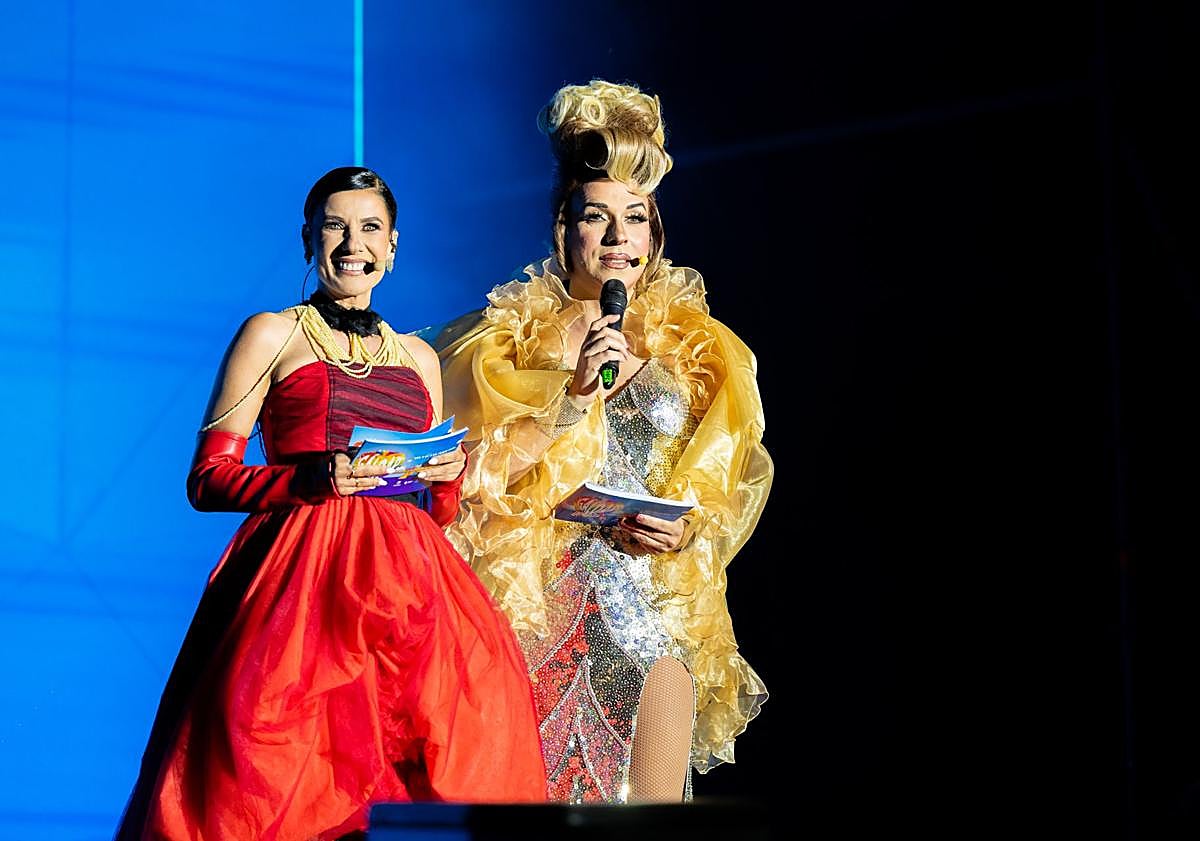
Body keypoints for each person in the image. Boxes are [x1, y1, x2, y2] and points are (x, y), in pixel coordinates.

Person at [115, 167, 545, 841]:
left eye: (370, 227)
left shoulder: (418, 357)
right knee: (279, 771)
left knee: (443, 760)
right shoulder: (273, 334)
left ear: (394, 245)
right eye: (336, 225)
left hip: (416, 600)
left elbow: (434, 512)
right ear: (309, 238)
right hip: (306, 594)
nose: (353, 242)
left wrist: (448, 474)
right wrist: (311, 478)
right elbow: (208, 478)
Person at [438, 80, 771, 803]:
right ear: (564, 228)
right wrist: (571, 398)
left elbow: (717, 495)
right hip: (536, 612)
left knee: (656, 815)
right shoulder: (502, 344)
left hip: (652, 614)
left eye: (636, 220)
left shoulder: (700, 351)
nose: (620, 240)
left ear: (655, 235)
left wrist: (681, 536)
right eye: (598, 218)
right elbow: (466, 484)